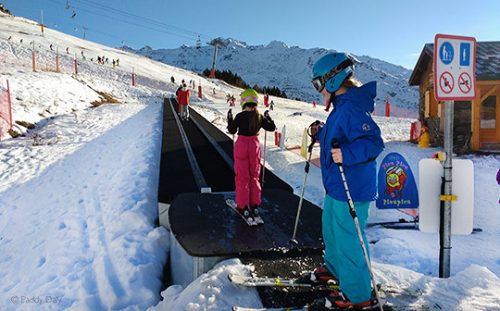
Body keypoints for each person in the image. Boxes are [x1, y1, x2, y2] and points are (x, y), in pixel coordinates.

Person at [303, 53, 384, 310]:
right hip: (336, 186)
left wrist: (347, 154)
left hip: (353, 189)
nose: (319, 91)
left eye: (319, 84)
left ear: (333, 79)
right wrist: (322, 132)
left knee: (350, 239)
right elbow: (340, 134)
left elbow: (373, 143)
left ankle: (358, 293)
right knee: (332, 230)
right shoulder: (341, 107)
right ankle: (336, 269)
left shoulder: (352, 108)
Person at [227, 89, 276, 221]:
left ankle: (243, 206)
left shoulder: (240, 116)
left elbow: (231, 129)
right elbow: (272, 127)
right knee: (254, 176)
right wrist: (268, 117)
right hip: (254, 145)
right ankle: (254, 204)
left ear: (244, 101)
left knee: (243, 177)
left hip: (242, 145)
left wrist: (229, 119)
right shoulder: (259, 117)